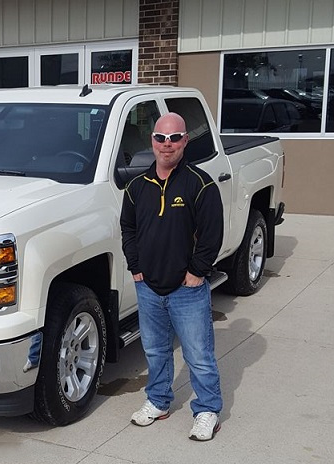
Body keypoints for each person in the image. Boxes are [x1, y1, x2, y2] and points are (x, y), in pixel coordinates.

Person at [120, 112, 224, 441]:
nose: (168, 145)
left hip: (186, 289)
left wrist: (196, 272)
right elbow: (129, 229)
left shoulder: (200, 184)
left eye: (175, 138)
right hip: (148, 286)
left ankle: (208, 409)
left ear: (185, 141)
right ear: (151, 141)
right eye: (161, 138)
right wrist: (135, 266)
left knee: (198, 355)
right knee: (155, 350)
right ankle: (158, 401)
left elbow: (212, 235)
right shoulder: (137, 187)